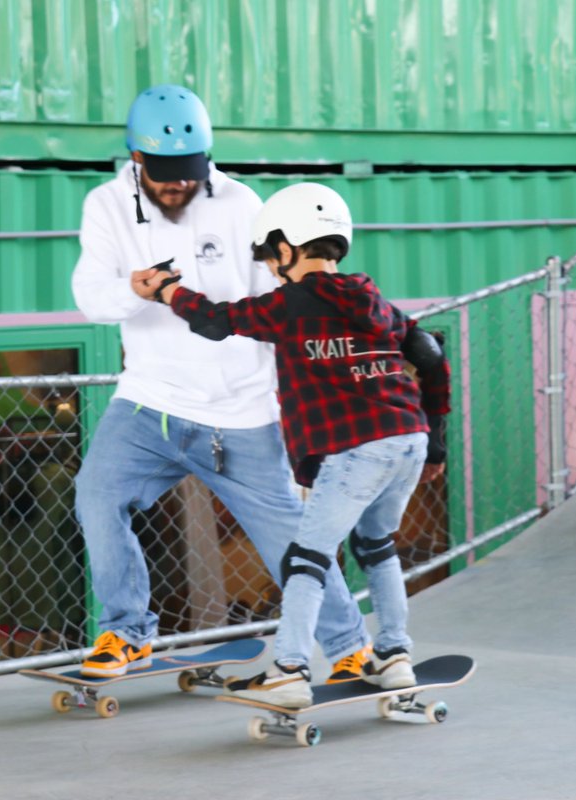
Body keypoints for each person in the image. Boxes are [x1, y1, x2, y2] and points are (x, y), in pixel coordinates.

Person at [71, 84, 373, 679]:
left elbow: (278, 303)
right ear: (137, 161)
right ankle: (125, 633)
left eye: (189, 172)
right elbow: (89, 298)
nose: (178, 184)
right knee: (96, 497)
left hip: (241, 412)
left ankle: (349, 648)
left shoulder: (241, 205)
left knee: (289, 538)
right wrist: (132, 289)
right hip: (148, 404)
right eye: (163, 174)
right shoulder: (106, 206)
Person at [149, 181, 451, 707]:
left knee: (307, 558)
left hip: (357, 448)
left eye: (271, 257)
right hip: (409, 438)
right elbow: (428, 352)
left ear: (288, 248)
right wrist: (438, 443)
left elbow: (216, 321)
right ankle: (396, 657)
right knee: (377, 548)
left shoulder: (289, 304)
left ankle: (289, 668)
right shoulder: (374, 300)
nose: (269, 267)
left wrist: (166, 291)